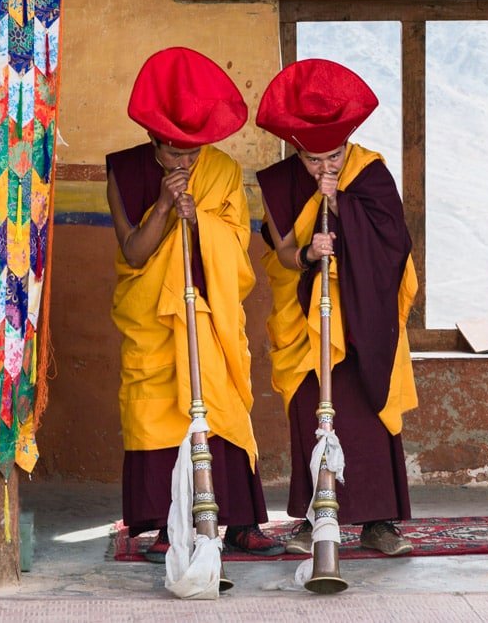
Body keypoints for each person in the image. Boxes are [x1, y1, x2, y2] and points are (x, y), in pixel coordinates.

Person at [106, 47, 284, 563]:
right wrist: (164, 205)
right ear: (152, 138)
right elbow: (134, 252)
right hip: (153, 320)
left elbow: (237, 245)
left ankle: (241, 523)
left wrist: (199, 221)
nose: (185, 162)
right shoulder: (123, 170)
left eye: (193, 153)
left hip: (208, 315)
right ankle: (167, 525)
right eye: (174, 152)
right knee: (158, 410)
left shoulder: (222, 170)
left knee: (222, 405)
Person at [255, 58, 418, 556]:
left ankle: (378, 523)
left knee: (367, 414)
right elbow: (281, 249)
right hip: (308, 323)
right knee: (312, 412)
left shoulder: (369, 173)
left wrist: (343, 206)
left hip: (364, 322)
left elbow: (395, 243)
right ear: (295, 150)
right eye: (314, 160)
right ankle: (310, 519)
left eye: (335, 156)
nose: (326, 167)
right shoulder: (279, 182)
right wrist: (308, 253)